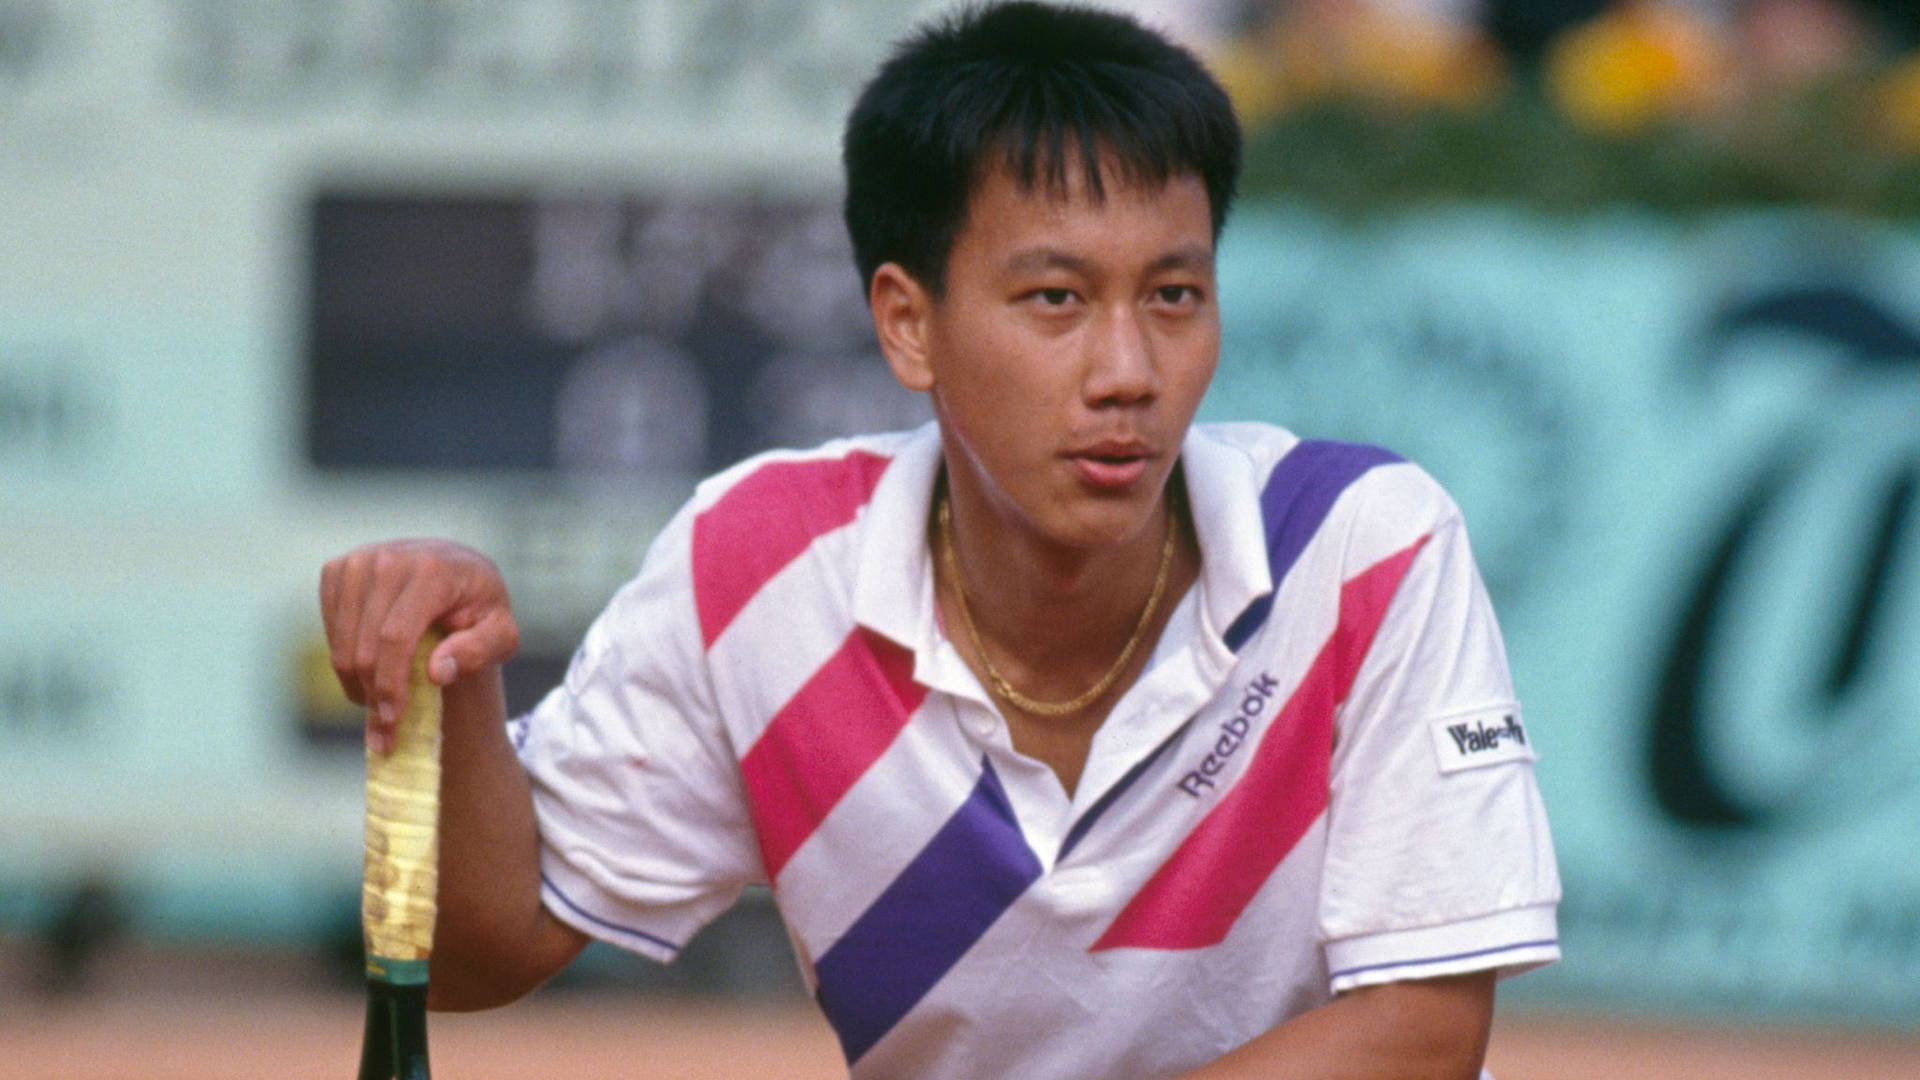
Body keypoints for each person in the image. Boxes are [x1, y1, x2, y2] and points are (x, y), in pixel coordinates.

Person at [319, 3, 1561, 1077]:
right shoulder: (751, 570)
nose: (1127, 371)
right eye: (1055, 300)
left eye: (1174, 296)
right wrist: (454, 687)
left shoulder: (1369, 546)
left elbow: (1419, 1038)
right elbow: (483, 954)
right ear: (908, 326)